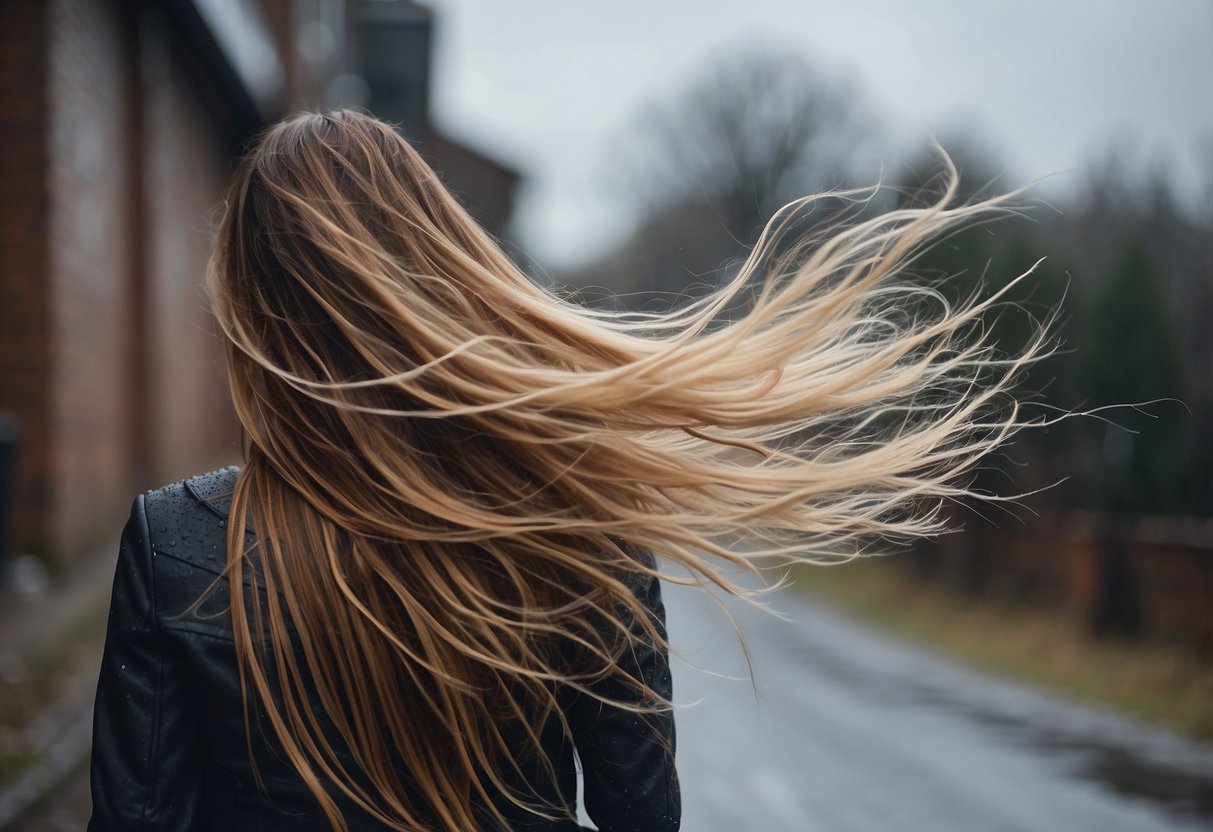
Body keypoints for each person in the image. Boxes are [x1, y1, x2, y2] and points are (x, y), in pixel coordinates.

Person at [86, 110, 1048, 831]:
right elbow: (642, 812)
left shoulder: (173, 545)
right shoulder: (577, 526)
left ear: (254, 314)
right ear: (442, 270)